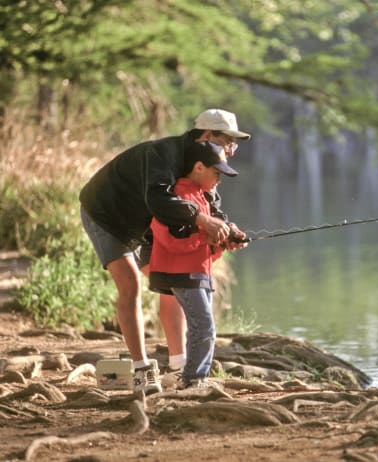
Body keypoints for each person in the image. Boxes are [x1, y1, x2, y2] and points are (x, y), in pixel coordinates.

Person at [79, 109, 250, 393]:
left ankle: (178, 365)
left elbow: (212, 207)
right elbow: (158, 197)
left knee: (174, 280)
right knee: (130, 283)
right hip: (107, 212)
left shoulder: (206, 162)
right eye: (229, 142)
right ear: (207, 135)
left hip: (147, 221)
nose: (232, 150)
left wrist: (227, 231)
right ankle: (141, 369)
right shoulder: (163, 154)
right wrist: (202, 221)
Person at [148, 142, 239, 389]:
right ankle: (193, 381)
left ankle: (196, 378)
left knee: (203, 327)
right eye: (217, 173)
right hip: (181, 274)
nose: (219, 179)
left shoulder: (203, 198)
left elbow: (203, 250)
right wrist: (207, 236)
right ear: (198, 167)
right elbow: (169, 239)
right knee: (204, 327)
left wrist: (224, 242)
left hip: (199, 273)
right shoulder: (178, 195)